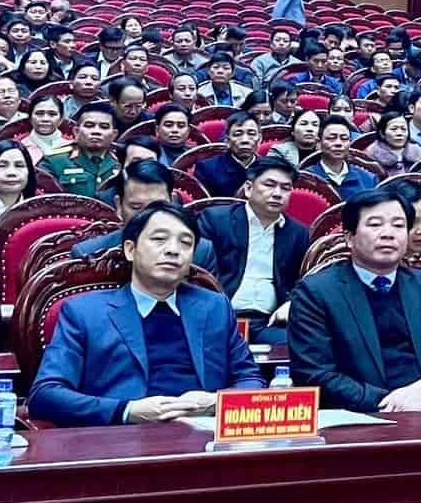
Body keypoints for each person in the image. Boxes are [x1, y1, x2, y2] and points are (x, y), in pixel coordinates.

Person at [28, 203, 265, 427]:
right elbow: (46, 395)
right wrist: (127, 411)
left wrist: (216, 402)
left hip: (205, 435)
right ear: (130, 250)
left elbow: (251, 379)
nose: (173, 250)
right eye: (159, 239)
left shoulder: (214, 307)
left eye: (185, 243)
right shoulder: (83, 312)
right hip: (122, 442)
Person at [287, 190, 421, 411]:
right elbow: (313, 374)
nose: (388, 234)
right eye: (375, 225)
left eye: (398, 225)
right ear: (349, 237)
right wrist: (392, 402)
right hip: (358, 419)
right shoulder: (316, 292)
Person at [197, 156, 309, 344]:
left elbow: (302, 281)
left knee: (300, 345)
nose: (277, 193)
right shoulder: (216, 220)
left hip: (269, 322)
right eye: (269, 185)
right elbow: (198, 274)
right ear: (249, 188)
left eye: (285, 188)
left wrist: (292, 304)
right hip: (219, 316)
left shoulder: (298, 233)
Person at [75, 159, 216, 268]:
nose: (149, 216)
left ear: (172, 201)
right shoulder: (88, 253)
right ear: (119, 206)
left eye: (157, 205)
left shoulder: (200, 252)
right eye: (136, 207)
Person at [41, 102, 120, 199]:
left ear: (114, 135)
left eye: (104, 127)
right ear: (76, 132)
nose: (96, 131)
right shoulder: (54, 161)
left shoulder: (123, 161)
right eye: (89, 125)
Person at [194, 111, 260, 197]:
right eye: (237, 134)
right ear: (227, 140)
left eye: (251, 134)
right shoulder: (206, 168)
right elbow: (202, 207)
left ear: (260, 139)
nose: (245, 140)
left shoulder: (269, 168)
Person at [366, 112, 421, 177]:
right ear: (382, 133)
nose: (399, 133)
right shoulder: (371, 154)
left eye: (403, 129)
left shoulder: (417, 151)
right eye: (394, 129)